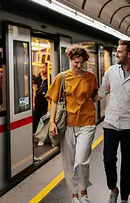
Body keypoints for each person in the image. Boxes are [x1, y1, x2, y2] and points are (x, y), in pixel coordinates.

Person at [94, 40, 130, 203]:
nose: (116, 54)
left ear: (129, 55)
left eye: (120, 52)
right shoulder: (111, 71)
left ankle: (125, 198)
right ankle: (113, 189)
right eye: (117, 51)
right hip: (111, 123)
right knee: (108, 160)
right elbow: (100, 92)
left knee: (128, 164)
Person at [46, 44, 98, 203]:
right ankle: (75, 195)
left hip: (87, 122)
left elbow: (95, 98)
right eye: (76, 62)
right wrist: (52, 123)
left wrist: (107, 91)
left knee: (81, 160)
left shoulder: (91, 77)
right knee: (68, 161)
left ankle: (83, 191)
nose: (79, 65)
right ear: (70, 60)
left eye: (81, 62)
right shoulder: (61, 77)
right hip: (67, 124)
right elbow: (54, 101)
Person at [33, 62, 50, 146]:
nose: (42, 69)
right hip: (38, 101)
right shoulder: (38, 78)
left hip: (45, 101)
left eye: (43, 67)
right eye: (41, 67)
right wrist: (33, 102)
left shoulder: (50, 79)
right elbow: (34, 91)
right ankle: (35, 136)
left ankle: (42, 138)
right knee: (36, 118)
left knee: (44, 120)